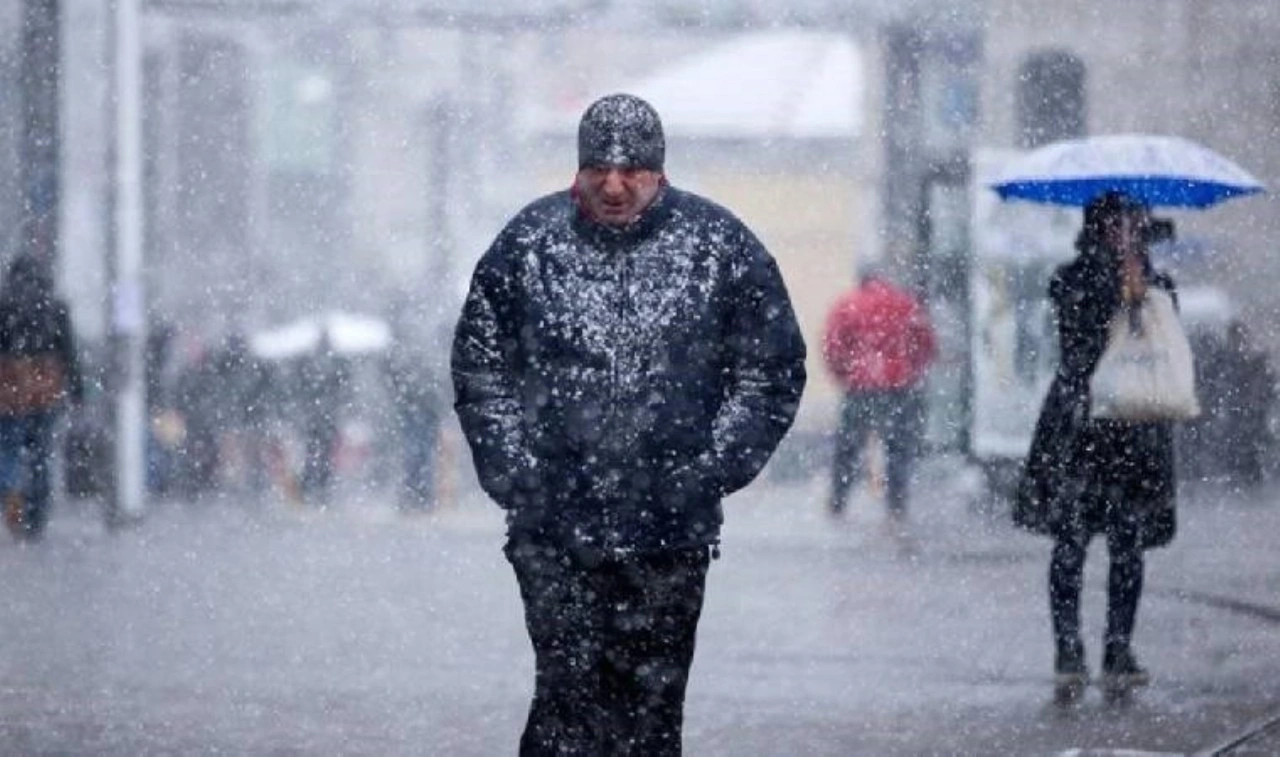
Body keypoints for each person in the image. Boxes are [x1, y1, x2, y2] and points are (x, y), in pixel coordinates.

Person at [451, 93, 806, 755]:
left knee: (650, 707)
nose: (613, 183)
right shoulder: (528, 245)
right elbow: (481, 364)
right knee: (566, 698)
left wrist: (707, 470)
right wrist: (514, 470)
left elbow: (772, 370)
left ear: (659, 173)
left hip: (669, 533)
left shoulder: (719, 248)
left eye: (631, 169)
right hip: (553, 526)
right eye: (598, 168)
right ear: (577, 171)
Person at [1014, 191, 1179, 699]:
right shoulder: (1072, 277)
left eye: (1134, 224)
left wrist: (1143, 294)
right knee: (1071, 542)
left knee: (1128, 545)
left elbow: (1167, 347)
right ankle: (1068, 648)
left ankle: (1118, 648)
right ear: (1097, 227)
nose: (1125, 233)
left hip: (1134, 425)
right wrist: (1117, 293)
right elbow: (1078, 346)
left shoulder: (1157, 285)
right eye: (1116, 224)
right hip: (1081, 427)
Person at [821, 263, 936, 521]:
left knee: (848, 448)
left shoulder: (848, 305)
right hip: (899, 387)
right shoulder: (905, 304)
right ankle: (896, 506)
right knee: (897, 447)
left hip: (861, 386)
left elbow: (833, 344)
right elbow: (926, 342)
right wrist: (911, 370)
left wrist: (844, 375)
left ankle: (838, 503)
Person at [0, 255, 83, 540]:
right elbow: (69, 351)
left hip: (9, 387)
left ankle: (11, 495)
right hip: (46, 387)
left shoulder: (5, 302)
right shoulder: (55, 306)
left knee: (9, 448)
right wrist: (77, 389)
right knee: (40, 454)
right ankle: (36, 516)